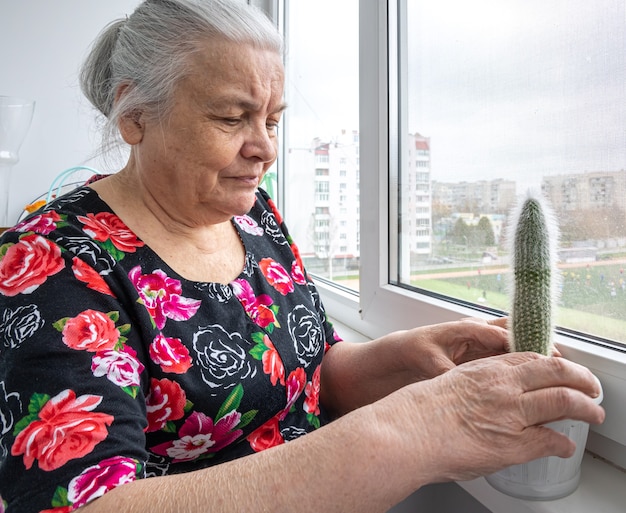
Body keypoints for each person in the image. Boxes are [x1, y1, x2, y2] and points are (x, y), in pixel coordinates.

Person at [0, 1, 604, 512]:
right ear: (134, 116)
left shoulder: (252, 212)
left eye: (273, 119)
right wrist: (413, 428)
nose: (264, 148)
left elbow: (301, 376)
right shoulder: (48, 261)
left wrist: (404, 358)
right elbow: (81, 503)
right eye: (231, 117)